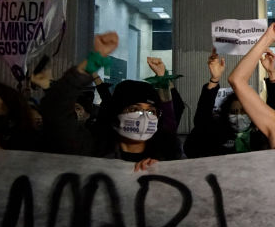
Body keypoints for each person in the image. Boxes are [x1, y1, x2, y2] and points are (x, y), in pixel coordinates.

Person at [39, 31, 181, 169]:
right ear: (116, 113)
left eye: (151, 111)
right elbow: (56, 112)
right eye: (134, 109)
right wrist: (91, 64)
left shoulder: (167, 155)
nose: (144, 117)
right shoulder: (91, 149)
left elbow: (173, 112)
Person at [184, 49, 275, 157]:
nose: (239, 116)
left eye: (243, 111)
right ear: (226, 113)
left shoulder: (262, 136)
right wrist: (214, 80)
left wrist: (272, 74)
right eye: (234, 112)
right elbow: (201, 120)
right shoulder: (216, 135)